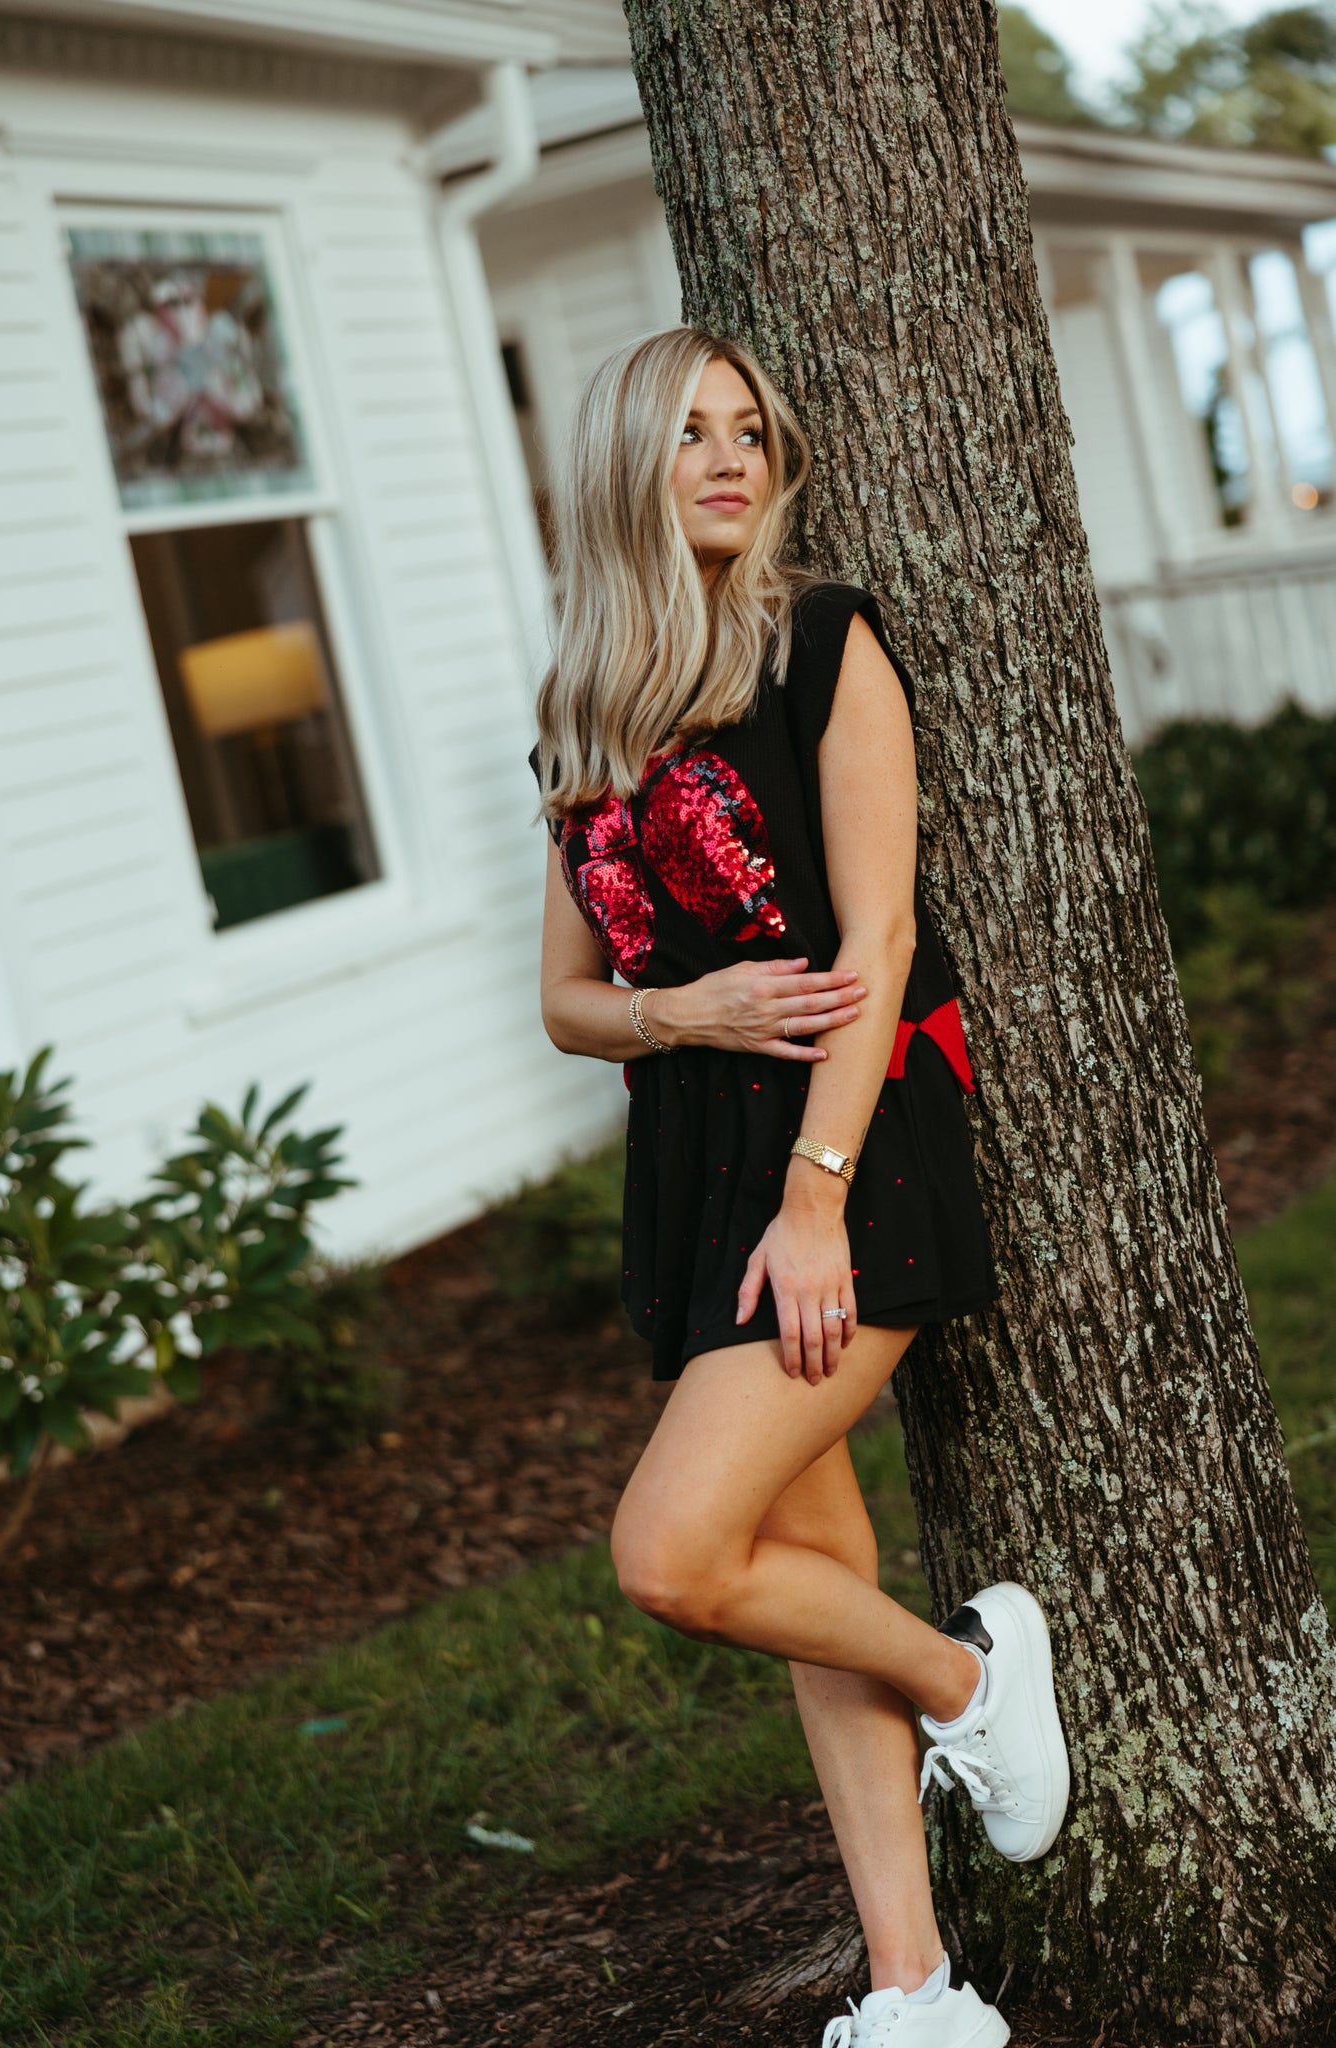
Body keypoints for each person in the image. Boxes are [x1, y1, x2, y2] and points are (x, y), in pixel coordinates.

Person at [528, 325, 1069, 2048]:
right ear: (626, 459)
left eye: (751, 430)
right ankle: (917, 1995)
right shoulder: (585, 705)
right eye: (691, 432)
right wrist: (671, 1009)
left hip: (841, 1146)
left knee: (675, 1552)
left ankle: (976, 1680)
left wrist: (819, 1195)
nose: (729, 458)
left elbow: (882, 930)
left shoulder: (821, 641)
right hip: (695, 1170)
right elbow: (565, 1002)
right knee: (802, 1572)